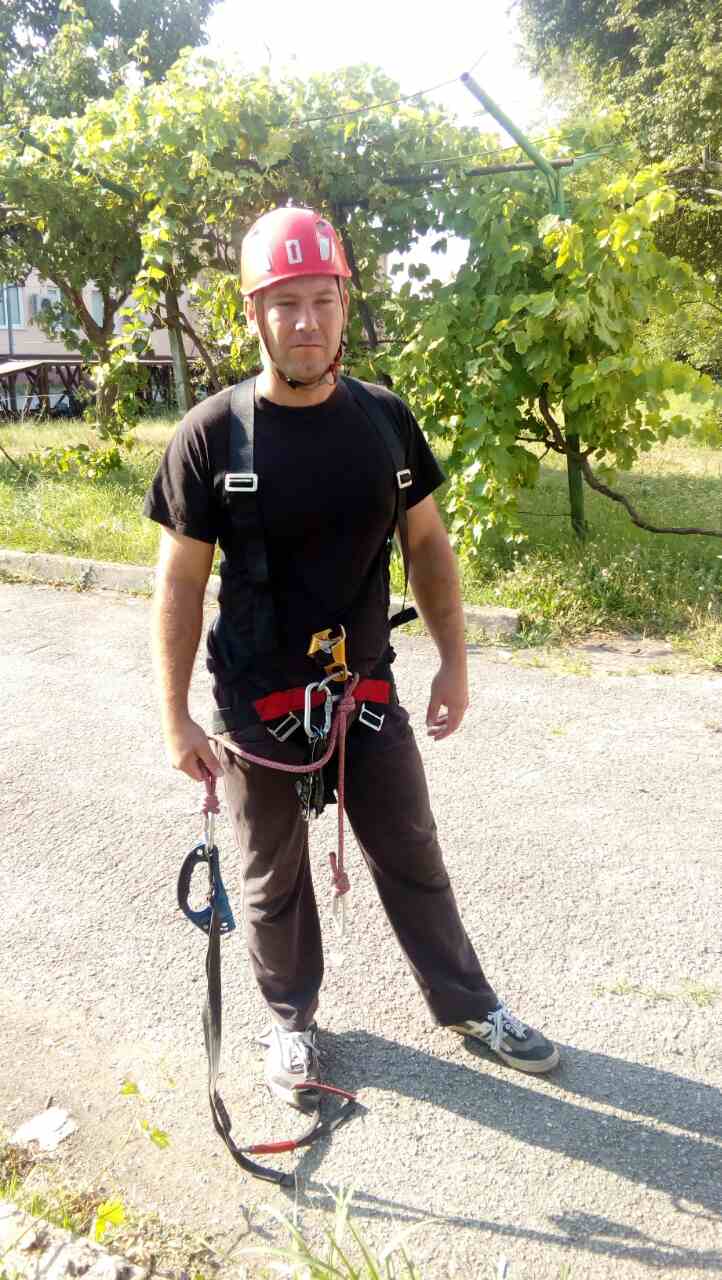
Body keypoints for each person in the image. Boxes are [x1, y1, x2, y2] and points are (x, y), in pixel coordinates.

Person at [144, 207, 559, 1109]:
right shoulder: (212, 436)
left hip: (361, 691)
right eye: (285, 303)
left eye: (321, 301)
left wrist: (454, 662)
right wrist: (174, 715)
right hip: (256, 701)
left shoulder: (382, 421)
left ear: (343, 305)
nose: (306, 322)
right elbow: (179, 583)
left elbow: (429, 545)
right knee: (270, 877)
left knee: (411, 849)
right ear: (254, 314)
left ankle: (470, 1005)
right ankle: (290, 1022)